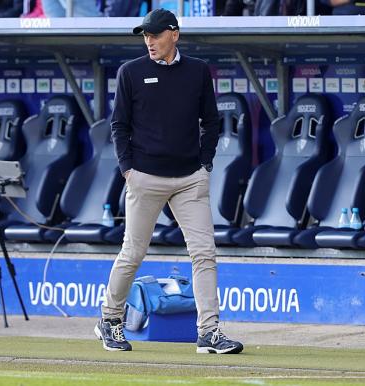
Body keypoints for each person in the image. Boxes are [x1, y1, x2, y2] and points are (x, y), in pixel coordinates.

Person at [94, 8, 244, 355]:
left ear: (174, 34)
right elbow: (119, 126)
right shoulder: (130, 72)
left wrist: (204, 164)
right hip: (145, 177)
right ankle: (110, 320)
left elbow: (211, 121)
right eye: (145, 36)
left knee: (204, 253)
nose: (149, 41)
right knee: (132, 253)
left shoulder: (197, 71)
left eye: (155, 35)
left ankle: (208, 333)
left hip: (190, 179)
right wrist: (128, 170)